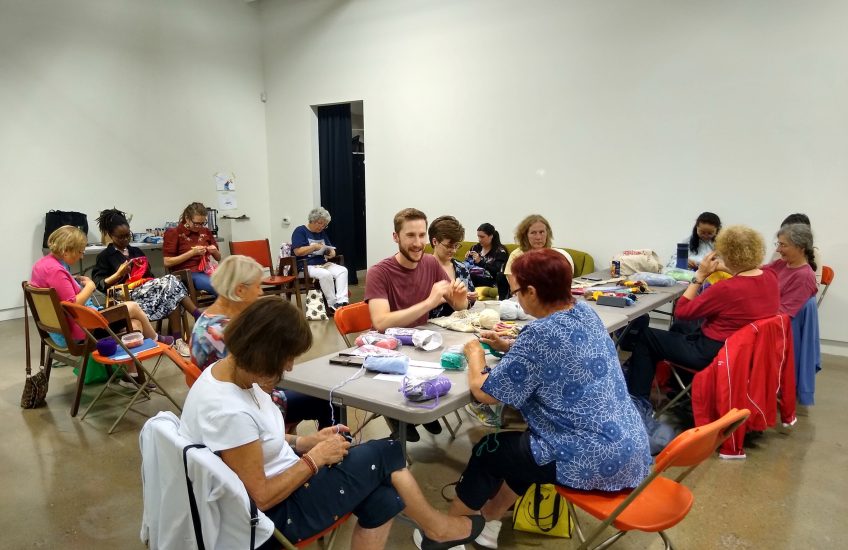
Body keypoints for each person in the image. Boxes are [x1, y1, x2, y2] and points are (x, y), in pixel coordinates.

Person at [178, 298, 485, 550]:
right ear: (262, 353)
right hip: (269, 518)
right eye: (285, 358)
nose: (288, 367)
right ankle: (437, 529)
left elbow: (255, 442)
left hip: (276, 485)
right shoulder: (228, 410)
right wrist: (314, 459)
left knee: (384, 499)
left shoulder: (228, 372)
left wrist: (304, 443)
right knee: (386, 452)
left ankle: (436, 530)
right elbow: (262, 496)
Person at [442, 249, 651, 549]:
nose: (517, 300)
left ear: (532, 291)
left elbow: (485, 393)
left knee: (490, 451)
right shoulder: (585, 313)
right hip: (630, 447)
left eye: (517, 293)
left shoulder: (539, 333)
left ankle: (450, 535)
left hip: (591, 457)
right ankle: (488, 523)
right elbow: (560, 352)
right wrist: (513, 345)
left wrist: (475, 355)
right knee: (526, 449)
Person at [625, 225, 780, 404]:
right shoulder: (770, 276)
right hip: (747, 353)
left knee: (648, 336)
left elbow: (682, 311)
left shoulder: (726, 288)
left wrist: (700, 275)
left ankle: (637, 403)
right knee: (683, 328)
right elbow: (748, 272)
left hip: (714, 353)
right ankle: (678, 387)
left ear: (726, 253)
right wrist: (725, 268)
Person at [190, 255, 337, 429]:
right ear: (240, 290)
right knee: (327, 399)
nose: (261, 292)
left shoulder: (210, 319)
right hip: (250, 406)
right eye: (258, 286)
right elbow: (260, 381)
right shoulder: (223, 332)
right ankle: (330, 452)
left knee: (311, 387)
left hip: (240, 397)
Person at [365, 208, 468, 441]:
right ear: (396, 237)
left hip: (421, 347)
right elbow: (380, 322)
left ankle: (416, 410)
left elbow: (459, 305)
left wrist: (460, 299)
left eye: (421, 235)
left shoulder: (431, 263)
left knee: (457, 372)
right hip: (388, 351)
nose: (418, 242)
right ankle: (401, 414)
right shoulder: (379, 273)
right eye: (410, 235)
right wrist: (429, 302)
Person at [31, 226, 173, 387]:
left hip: (61, 328)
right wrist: (90, 286)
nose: (82, 255)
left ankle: (131, 375)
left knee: (135, 324)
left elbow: (61, 293)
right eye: (79, 252)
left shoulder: (43, 265)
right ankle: (155, 338)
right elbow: (72, 304)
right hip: (79, 330)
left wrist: (71, 279)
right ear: (65, 251)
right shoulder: (56, 271)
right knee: (132, 307)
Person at [92, 208, 198, 357]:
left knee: (170, 290)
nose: (125, 240)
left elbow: (150, 276)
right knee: (170, 283)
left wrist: (151, 282)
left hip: (147, 294)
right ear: (110, 235)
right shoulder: (105, 256)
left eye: (128, 236)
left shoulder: (136, 251)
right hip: (127, 301)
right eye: (120, 237)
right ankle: (196, 316)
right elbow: (99, 284)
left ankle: (178, 341)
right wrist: (118, 274)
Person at [291, 207, 349, 315]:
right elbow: (298, 251)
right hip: (306, 265)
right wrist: (313, 247)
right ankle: (332, 304)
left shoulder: (322, 233)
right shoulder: (300, 231)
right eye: (320, 223)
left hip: (322, 263)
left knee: (343, 270)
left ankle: (342, 302)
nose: (322, 227)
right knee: (325, 274)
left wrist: (331, 253)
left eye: (324, 225)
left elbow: (330, 248)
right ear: (312, 220)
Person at [163, 202, 221, 298]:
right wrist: (192, 253)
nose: (199, 226)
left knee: (233, 283)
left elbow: (218, 258)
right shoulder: (174, 233)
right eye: (196, 223)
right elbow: (167, 262)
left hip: (207, 270)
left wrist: (214, 251)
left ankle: (231, 309)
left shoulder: (205, 231)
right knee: (217, 287)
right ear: (187, 218)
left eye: (203, 223)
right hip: (188, 273)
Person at [504, 214, 574, 287]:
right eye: (533, 233)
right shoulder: (516, 256)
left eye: (542, 232)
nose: (538, 237)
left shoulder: (554, 255)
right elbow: (515, 289)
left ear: (547, 234)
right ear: (525, 236)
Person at [764, 223, 818, 318]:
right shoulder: (781, 264)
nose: (778, 249)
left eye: (783, 245)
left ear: (801, 248)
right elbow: (755, 273)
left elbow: (783, 314)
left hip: (778, 326)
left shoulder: (804, 277)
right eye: (778, 244)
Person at [428, 215, 475, 319]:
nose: (454, 250)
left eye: (456, 245)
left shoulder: (461, 268)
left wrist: (469, 299)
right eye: (449, 246)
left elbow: (469, 302)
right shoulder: (423, 268)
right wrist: (448, 298)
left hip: (458, 327)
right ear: (434, 241)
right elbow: (416, 303)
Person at [770, 213, 823, 283]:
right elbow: (767, 272)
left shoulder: (805, 274)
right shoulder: (780, 251)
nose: (778, 249)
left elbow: (814, 286)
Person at [466, 222, 509, 294]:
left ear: (491, 236)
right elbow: (469, 265)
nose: (479, 239)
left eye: (482, 237)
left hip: (491, 280)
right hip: (474, 276)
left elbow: (497, 272)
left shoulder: (500, 251)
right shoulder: (475, 248)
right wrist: (468, 258)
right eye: (478, 236)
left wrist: (480, 262)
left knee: (470, 276)